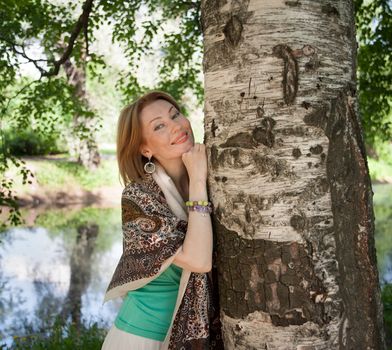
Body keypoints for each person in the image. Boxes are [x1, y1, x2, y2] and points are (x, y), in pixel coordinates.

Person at [102, 90, 223, 349]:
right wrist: (199, 181)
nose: (177, 126)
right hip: (142, 338)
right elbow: (198, 261)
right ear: (145, 148)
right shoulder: (138, 197)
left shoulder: (220, 176)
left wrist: (201, 178)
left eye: (175, 115)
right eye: (159, 126)